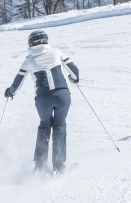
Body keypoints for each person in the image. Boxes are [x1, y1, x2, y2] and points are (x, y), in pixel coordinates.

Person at [5, 30, 80, 173]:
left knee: (44, 126)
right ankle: (58, 166)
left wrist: (10, 92)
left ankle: (39, 166)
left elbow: (17, 83)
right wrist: (74, 79)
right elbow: (74, 70)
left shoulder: (29, 60)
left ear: (31, 43)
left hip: (43, 99)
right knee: (60, 124)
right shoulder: (56, 52)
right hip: (62, 96)